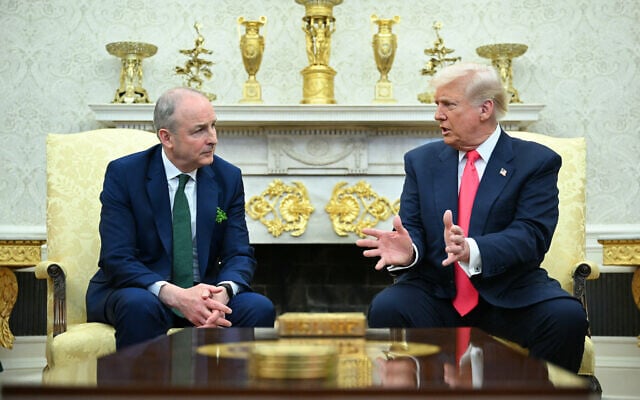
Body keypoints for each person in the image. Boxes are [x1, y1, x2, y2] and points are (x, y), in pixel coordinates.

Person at [356, 62, 588, 373]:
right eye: (437, 105)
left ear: (485, 109)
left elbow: (531, 235)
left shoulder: (535, 162)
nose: (438, 115)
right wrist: (410, 252)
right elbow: (412, 229)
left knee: (566, 318)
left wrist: (472, 250)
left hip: (509, 293)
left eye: (448, 105)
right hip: (438, 293)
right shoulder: (421, 162)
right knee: (388, 306)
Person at [87, 87, 275, 349]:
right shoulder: (125, 174)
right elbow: (116, 258)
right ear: (167, 137)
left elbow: (239, 253)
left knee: (258, 307)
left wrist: (223, 292)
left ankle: (227, 390)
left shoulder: (227, 177)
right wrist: (174, 295)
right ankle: (142, 390)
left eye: (213, 126)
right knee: (139, 306)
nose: (213, 139)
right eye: (199, 130)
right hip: (144, 291)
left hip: (206, 293)